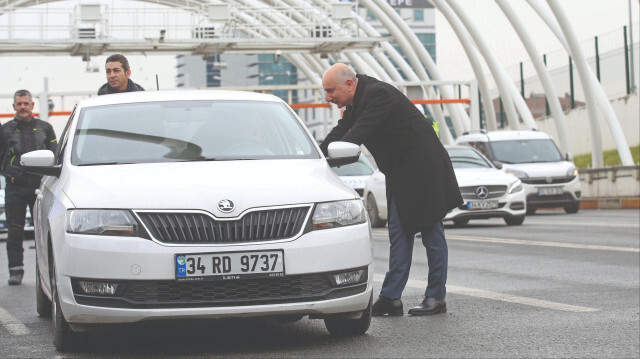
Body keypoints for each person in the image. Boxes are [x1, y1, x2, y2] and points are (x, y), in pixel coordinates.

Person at [319, 63, 462, 316]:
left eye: (331, 91)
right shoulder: (356, 102)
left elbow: (355, 135)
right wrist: (316, 157)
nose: (328, 97)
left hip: (424, 171)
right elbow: (340, 132)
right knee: (399, 233)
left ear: (349, 84)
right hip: (401, 174)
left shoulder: (378, 95)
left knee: (431, 233)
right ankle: (391, 298)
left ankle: (436, 297)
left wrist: (331, 159)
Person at [2, 90, 57, 285]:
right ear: (14, 106)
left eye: (26, 103)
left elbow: (55, 155)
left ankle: (46, 273)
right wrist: (8, 171)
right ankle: (15, 271)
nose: (23, 107)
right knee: (15, 231)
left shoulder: (45, 128)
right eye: (19, 104)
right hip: (14, 189)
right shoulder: (5, 130)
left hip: (39, 188)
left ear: (32, 106)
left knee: (43, 232)